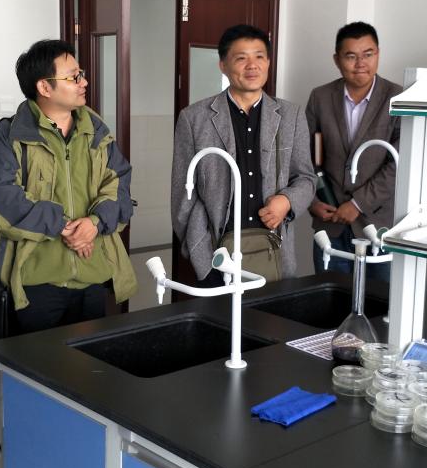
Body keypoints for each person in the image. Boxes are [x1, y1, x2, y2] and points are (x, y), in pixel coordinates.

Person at [0, 39, 136, 332]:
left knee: (89, 360)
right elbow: (1, 198)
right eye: (74, 77)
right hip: (35, 281)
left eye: (81, 74)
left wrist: (94, 224)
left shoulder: (97, 132)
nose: (84, 82)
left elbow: (120, 185)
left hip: (93, 274)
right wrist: (65, 227)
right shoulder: (10, 135)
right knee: (37, 360)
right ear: (44, 87)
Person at [172, 24, 315, 283]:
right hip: (215, 257)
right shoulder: (194, 118)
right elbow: (182, 196)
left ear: (268, 62)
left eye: (259, 57)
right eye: (241, 58)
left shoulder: (291, 115)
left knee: (273, 311)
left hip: (274, 253)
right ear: (223, 65)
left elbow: (306, 178)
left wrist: (287, 201)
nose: (252, 66)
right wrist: (198, 254)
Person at [306, 21, 402, 281]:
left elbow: (399, 163)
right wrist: (312, 201)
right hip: (329, 223)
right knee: (329, 298)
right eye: (351, 56)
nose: (360, 63)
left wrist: (358, 204)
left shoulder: (398, 98)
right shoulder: (320, 97)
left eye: (368, 54)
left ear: (378, 54)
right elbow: (306, 156)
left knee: (378, 301)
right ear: (337, 60)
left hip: (377, 224)